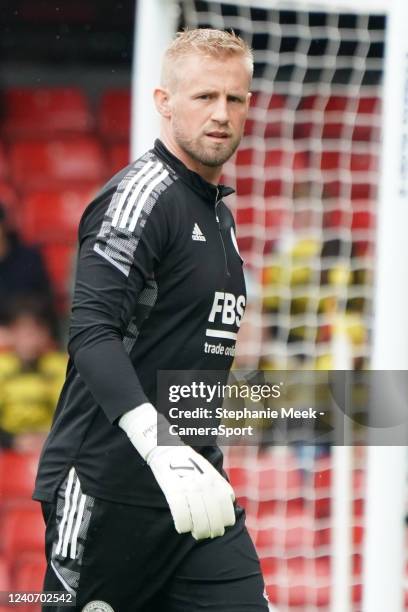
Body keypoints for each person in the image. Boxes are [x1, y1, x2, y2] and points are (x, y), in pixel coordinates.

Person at [33, 29, 269, 612]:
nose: (221, 114)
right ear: (165, 102)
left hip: (196, 492)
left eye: (234, 99)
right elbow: (91, 334)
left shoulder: (219, 218)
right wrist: (157, 444)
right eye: (204, 97)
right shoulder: (141, 197)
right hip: (107, 486)